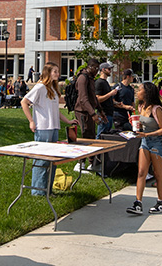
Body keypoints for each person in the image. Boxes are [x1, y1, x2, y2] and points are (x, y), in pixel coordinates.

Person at [21, 62, 78, 195]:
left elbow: (55, 111)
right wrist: (31, 121)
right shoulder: (40, 87)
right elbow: (24, 102)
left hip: (54, 128)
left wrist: (68, 121)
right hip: (43, 128)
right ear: (48, 73)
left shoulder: (53, 89)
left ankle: (48, 190)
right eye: (55, 71)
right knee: (41, 160)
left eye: (58, 71)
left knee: (53, 160)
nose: (58, 74)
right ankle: (37, 191)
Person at [126, 81, 162, 215]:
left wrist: (147, 134)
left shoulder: (157, 109)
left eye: (139, 90)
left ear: (147, 93)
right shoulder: (141, 106)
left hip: (158, 143)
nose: (137, 92)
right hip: (145, 141)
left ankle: (160, 202)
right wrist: (134, 123)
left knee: (157, 173)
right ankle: (138, 203)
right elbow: (143, 124)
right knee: (141, 172)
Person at [74, 59, 106, 139]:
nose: (97, 71)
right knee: (87, 136)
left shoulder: (90, 78)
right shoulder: (83, 78)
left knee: (91, 136)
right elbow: (83, 99)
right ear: (90, 67)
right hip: (83, 112)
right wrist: (93, 114)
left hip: (89, 112)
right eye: (96, 68)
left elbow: (93, 96)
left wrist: (100, 111)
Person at [94, 62, 117, 136]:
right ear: (103, 70)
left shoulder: (105, 82)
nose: (110, 71)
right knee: (101, 136)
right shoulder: (99, 82)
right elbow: (97, 99)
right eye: (109, 69)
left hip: (109, 114)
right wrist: (111, 93)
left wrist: (116, 103)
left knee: (106, 136)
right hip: (103, 114)